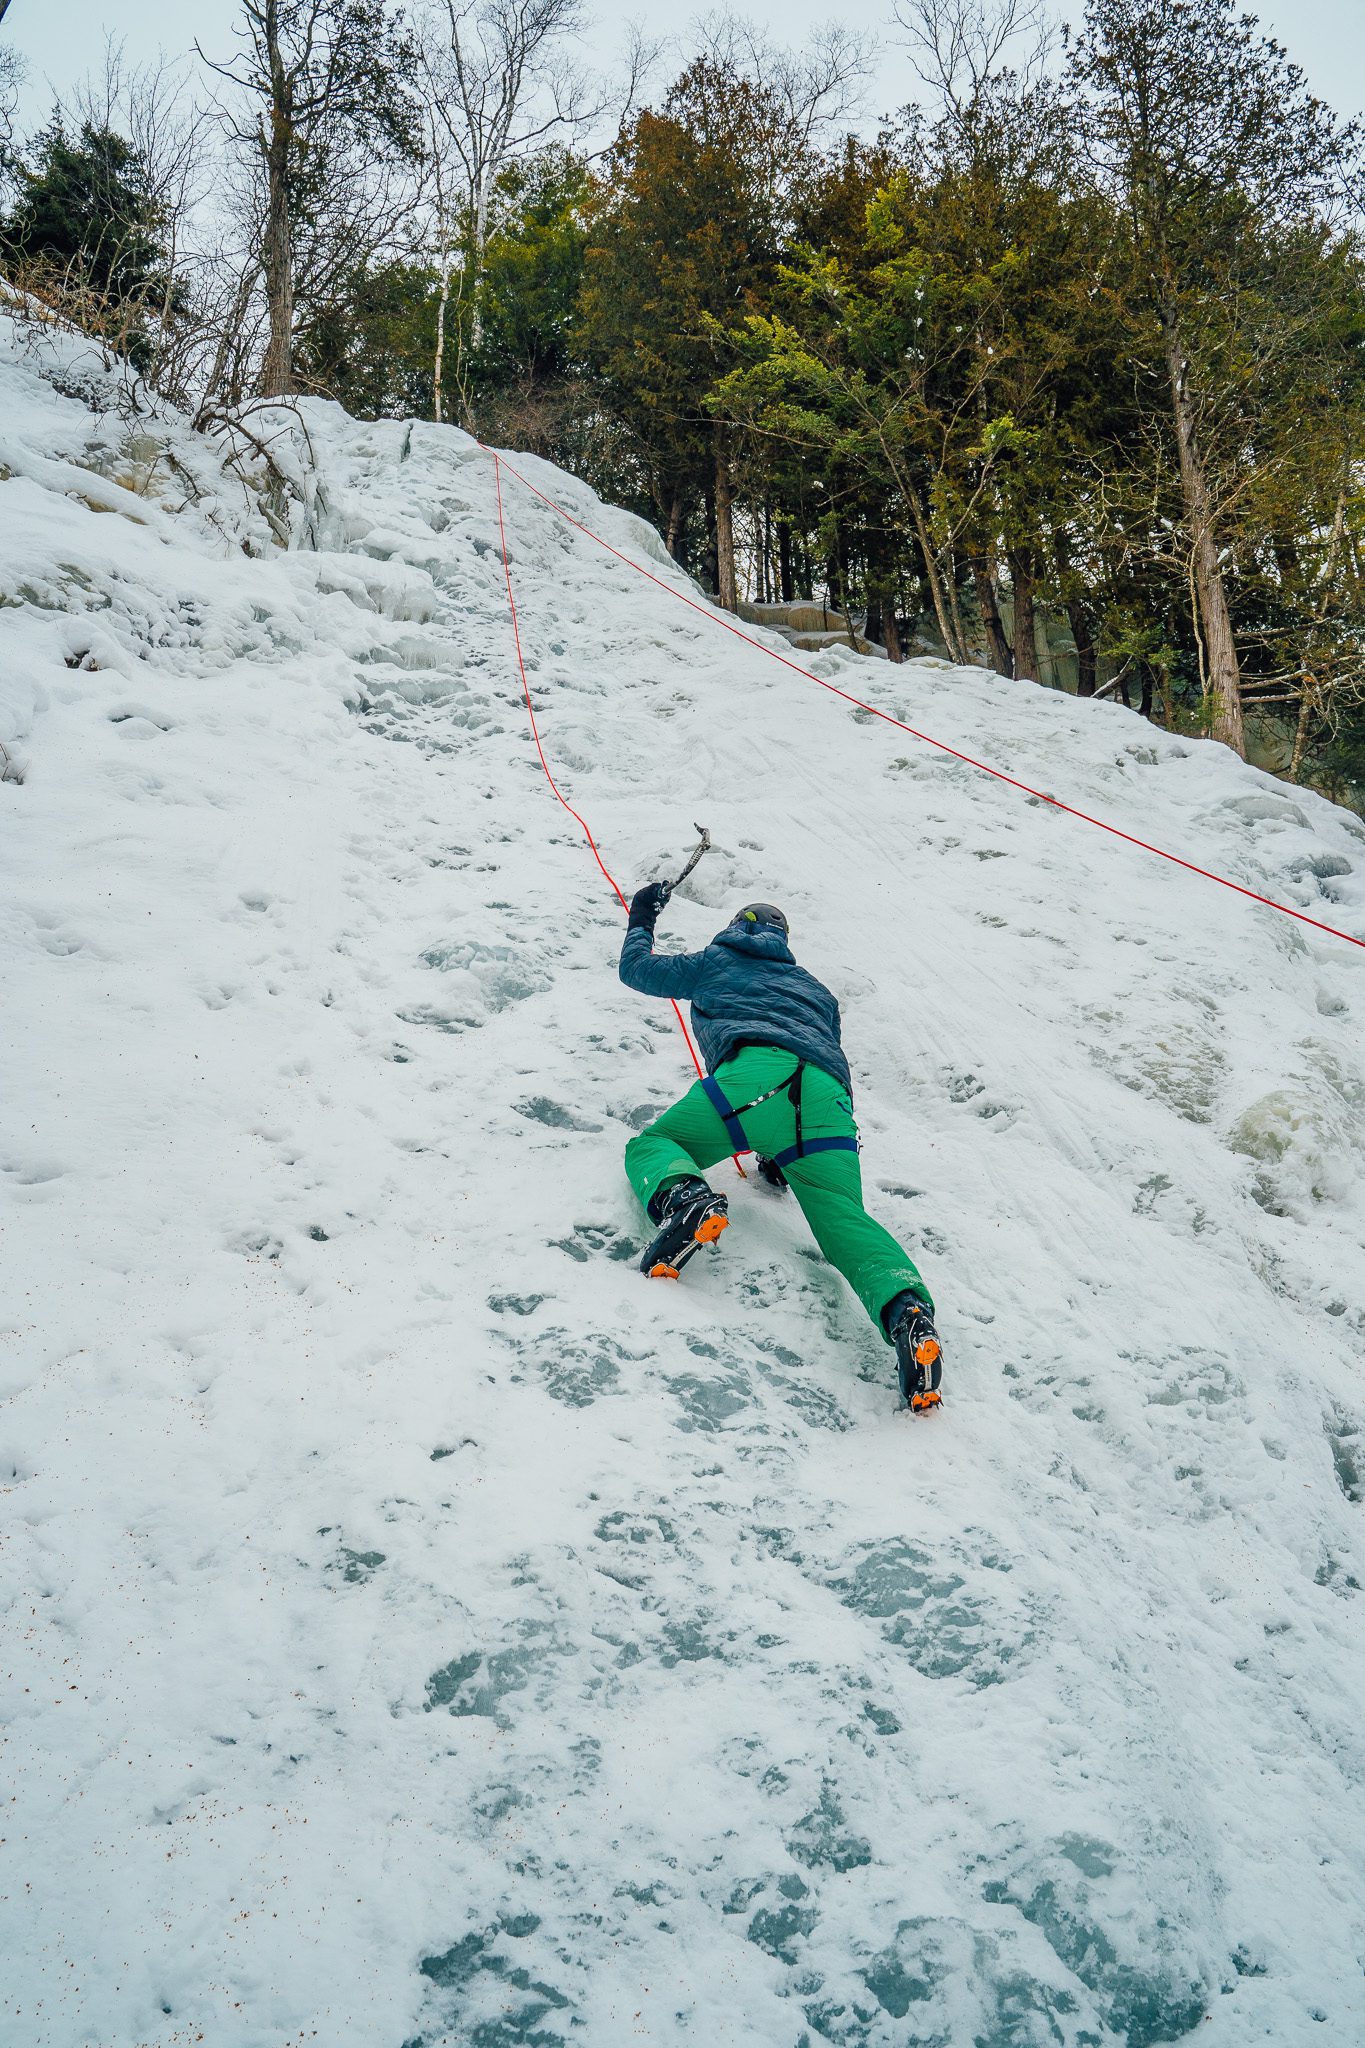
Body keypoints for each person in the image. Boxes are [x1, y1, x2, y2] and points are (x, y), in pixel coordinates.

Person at [618, 886, 943, 1412]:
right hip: (826, 1100)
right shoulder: (816, 990)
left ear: (733, 928)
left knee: (656, 1143)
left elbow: (636, 970)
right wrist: (780, 1156)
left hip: (755, 1076)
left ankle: (686, 1201)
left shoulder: (714, 963)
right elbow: (827, 1052)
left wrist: (642, 915)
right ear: (784, 941)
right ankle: (907, 1313)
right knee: (843, 1218)